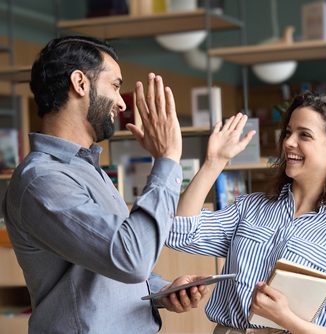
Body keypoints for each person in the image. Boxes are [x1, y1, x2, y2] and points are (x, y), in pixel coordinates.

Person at [1, 35, 209, 334]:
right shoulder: (42, 180)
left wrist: (162, 290)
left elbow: (105, 260)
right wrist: (167, 158)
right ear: (80, 83)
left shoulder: (87, 168)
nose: (122, 102)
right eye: (115, 85)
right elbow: (131, 258)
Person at [165, 92, 326, 334]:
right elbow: (178, 232)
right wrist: (214, 162)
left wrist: (285, 318)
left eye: (305, 135)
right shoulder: (249, 208)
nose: (289, 142)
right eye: (288, 132)